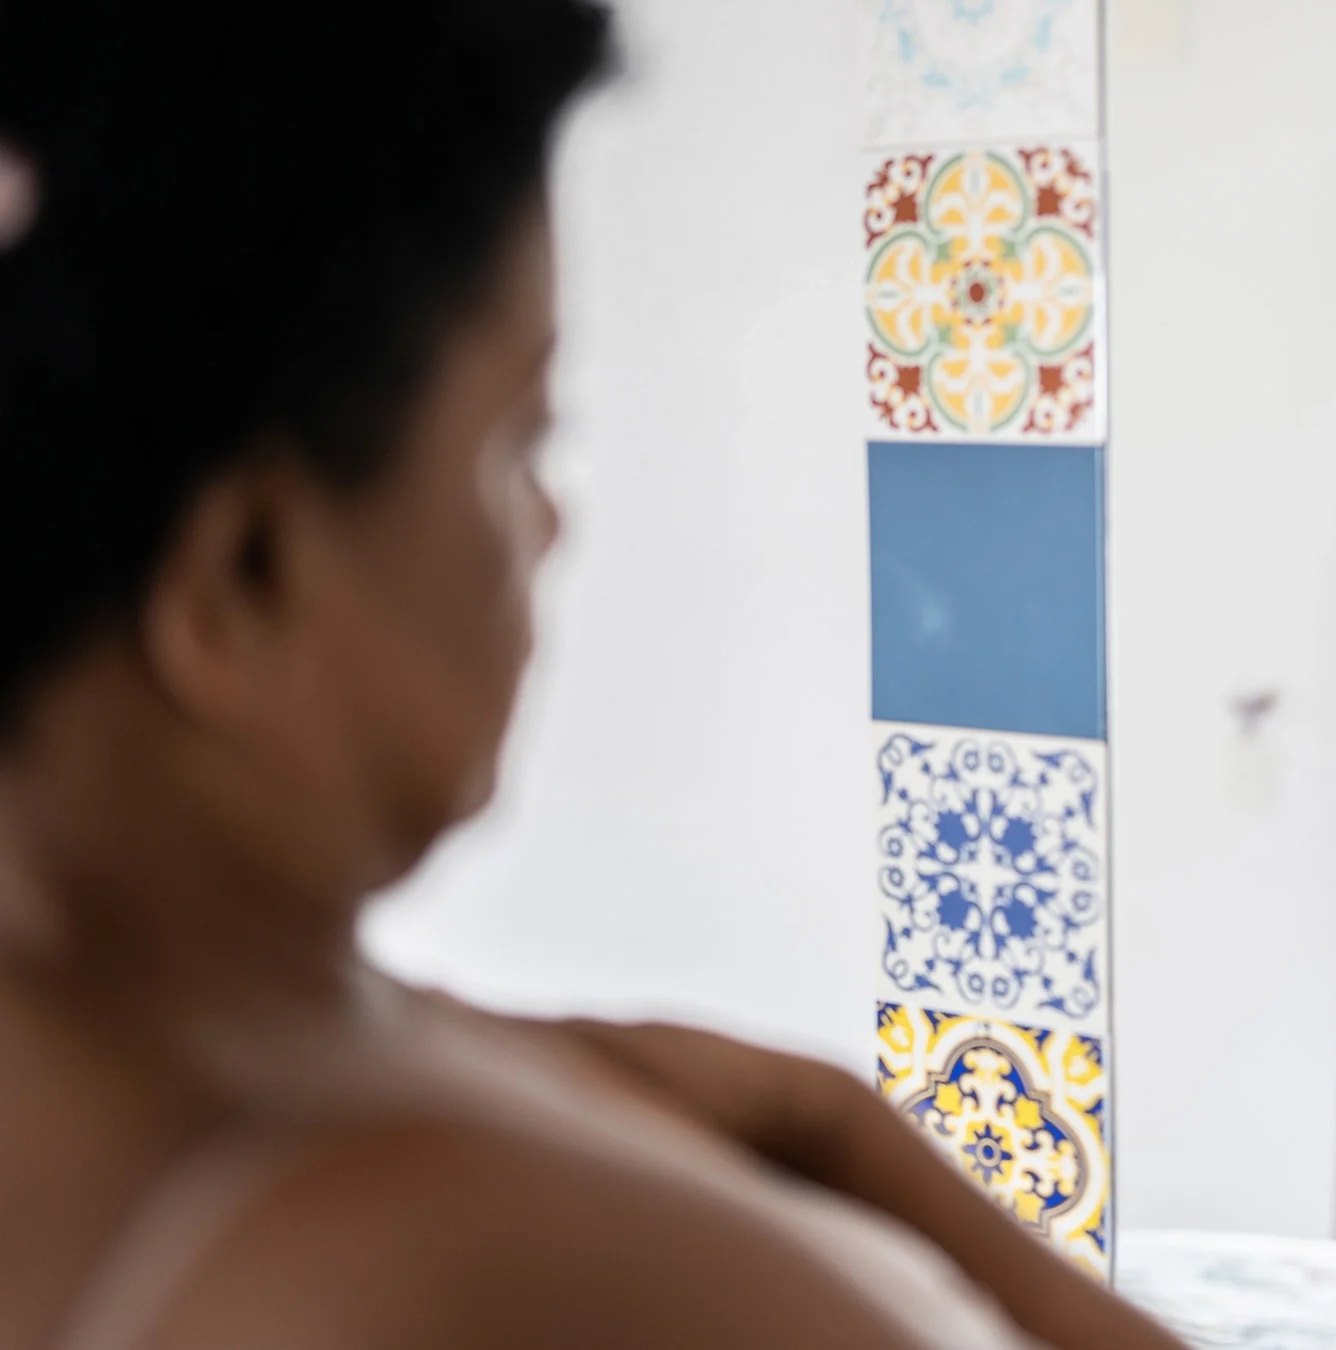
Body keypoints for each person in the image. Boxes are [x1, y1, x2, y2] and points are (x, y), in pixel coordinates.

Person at [0, 3, 1184, 1347]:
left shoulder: (145, 1046)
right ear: (244, 573)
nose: (552, 526)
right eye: (520, 438)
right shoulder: (472, 1252)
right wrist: (841, 1143)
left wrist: (814, 1121)